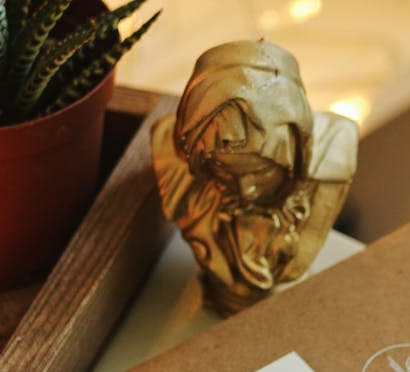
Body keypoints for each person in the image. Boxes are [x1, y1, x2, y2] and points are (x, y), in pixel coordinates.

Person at [151, 39, 357, 315]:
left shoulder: (330, 158)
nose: (245, 190)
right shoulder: (177, 157)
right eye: (224, 172)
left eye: (260, 173)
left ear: (295, 157)